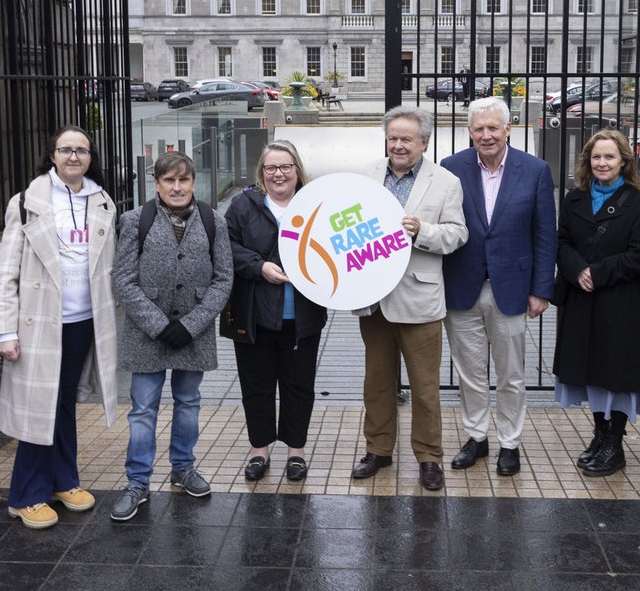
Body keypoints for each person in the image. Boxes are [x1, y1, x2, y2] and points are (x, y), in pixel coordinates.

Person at [0, 125, 119, 529]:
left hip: (84, 320)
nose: (74, 157)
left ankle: (64, 479)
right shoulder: (27, 202)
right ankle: (25, 495)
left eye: (81, 150)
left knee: (64, 403)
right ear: (52, 156)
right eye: (66, 150)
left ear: (90, 157)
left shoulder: (102, 201)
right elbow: (6, 270)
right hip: (38, 323)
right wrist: (5, 330)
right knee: (38, 406)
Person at [110, 151, 233, 521]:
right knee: (143, 408)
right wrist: (159, 325)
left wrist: (191, 324)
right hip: (147, 335)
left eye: (183, 180)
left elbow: (224, 278)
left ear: (194, 183)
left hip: (192, 335)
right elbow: (124, 280)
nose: (177, 187)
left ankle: (183, 468)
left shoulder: (214, 221)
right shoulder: (135, 221)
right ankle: (137, 482)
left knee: (188, 403)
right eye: (169, 181)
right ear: (157, 184)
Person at [351, 106, 468, 491]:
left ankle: (429, 457)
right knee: (378, 383)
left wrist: (422, 231)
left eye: (406, 139)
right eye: (393, 138)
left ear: (424, 142)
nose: (398, 145)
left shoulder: (446, 182)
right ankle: (378, 450)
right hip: (374, 299)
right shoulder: (365, 175)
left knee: (424, 387)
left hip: (420, 299)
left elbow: (457, 234)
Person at [441, 97, 556, 475]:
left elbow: (544, 234)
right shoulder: (451, 168)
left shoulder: (535, 170)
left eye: (493, 128)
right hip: (462, 285)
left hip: (512, 289)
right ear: (469, 131)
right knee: (469, 373)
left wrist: (541, 289)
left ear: (509, 129)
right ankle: (477, 437)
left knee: (511, 375)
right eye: (479, 128)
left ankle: (510, 442)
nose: (486, 135)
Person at [553, 129, 640, 476]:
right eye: (596, 157)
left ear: (624, 161)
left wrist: (595, 272)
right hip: (583, 300)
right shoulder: (574, 199)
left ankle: (616, 442)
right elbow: (562, 241)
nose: (602, 163)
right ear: (587, 161)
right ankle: (599, 435)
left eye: (609, 157)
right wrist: (576, 269)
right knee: (591, 371)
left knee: (618, 373)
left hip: (621, 302)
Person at [225, 140, 327, 482]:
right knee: (257, 385)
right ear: (261, 173)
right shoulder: (242, 206)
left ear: (297, 170)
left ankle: (296, 452)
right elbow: (227, 248)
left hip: (303, 316)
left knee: (299, 386)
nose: (279, 174)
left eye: (286, 167)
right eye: (271, 168)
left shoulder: (317, 205)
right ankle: (259, 450)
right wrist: (259, 267)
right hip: (255, 314)